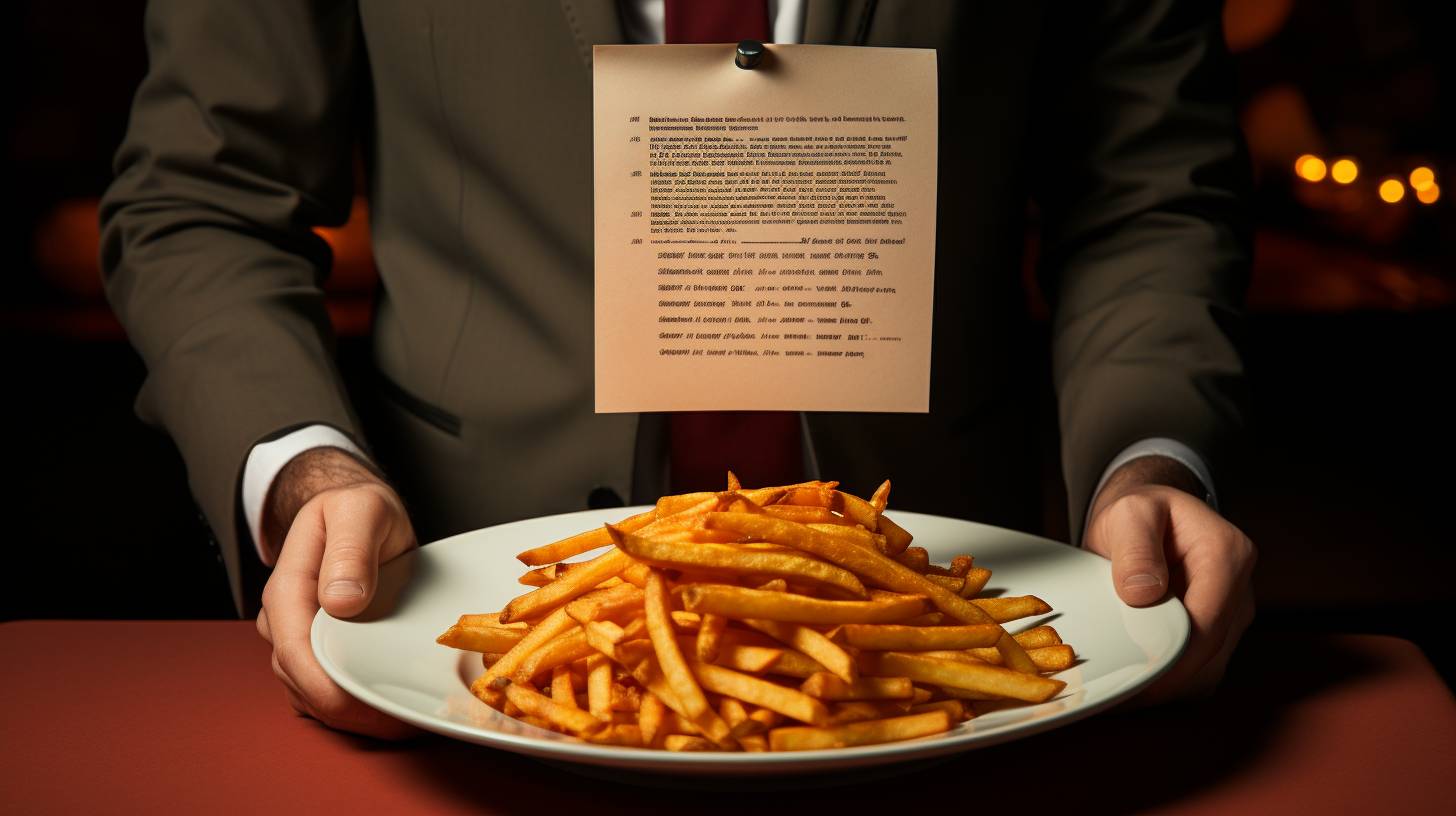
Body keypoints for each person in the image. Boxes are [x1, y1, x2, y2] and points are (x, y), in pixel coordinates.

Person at [100, 0, 1256, 738]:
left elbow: (1149, 186)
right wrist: (306, 473)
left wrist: (1145, 457)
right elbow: (204, 195)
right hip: (459, 648)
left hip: (937, 656)